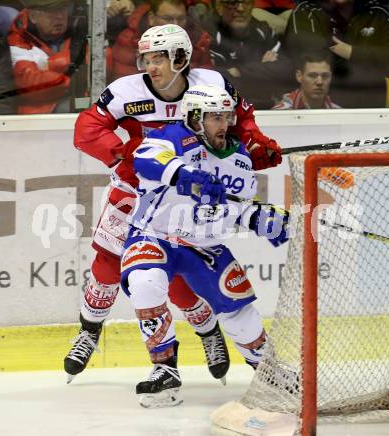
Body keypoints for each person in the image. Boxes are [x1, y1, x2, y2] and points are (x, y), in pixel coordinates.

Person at [65, 24, 283, 384]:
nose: (150, 66)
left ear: (181, 57)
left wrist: (256, 144)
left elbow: (240, 122)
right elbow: (87, 128)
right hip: (134, 193)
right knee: (107, 265)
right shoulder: (125, 91)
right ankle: (89, 331)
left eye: (159, 58)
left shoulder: (211, 84)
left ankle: (207, 331)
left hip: (188, 197)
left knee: (180, 272)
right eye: (146, 59)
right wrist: (121, 155)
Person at [120, 84, 289, 407]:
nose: (224, 124)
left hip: (204, 245)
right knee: (146, 283)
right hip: (155, 234)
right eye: (214, 117)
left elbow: (233, 208)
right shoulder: (168, 136)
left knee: (239, 312)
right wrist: (185, 174)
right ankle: (164, 369)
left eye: (226, 116)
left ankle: (269, 372)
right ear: (195, 118)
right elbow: (145, 161)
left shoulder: (238, 159)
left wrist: (259, 218)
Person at [283, 0, 389, 108]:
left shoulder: (375, 12)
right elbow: (307, 61)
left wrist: (352, 52)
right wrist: (373, 58)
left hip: (369, 110)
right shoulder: (307, 11)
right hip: (319, 110)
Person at [202, 0, 292, 108]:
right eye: (233, 3)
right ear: (219, 7)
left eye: (246, 2)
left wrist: (238, 71)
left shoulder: (263, 29)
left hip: (266, 108)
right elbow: (216, 79)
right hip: (224, 107)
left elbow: (287, 69)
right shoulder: (208, 33)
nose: (241, 8)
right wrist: (261, 68)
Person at [7, 0, 89, 113]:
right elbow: (31, 84)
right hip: (39, 118)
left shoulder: (78, 29)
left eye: (62, 9)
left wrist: (48, 64)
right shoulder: (18, 39)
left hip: (81, 104)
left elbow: (102, 60)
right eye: (51, 12)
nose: (60, 16)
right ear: (33, 16)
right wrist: (74, 77)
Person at [111, 0, 212, 79]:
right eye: (168, 19)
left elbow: (206, 81)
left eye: (181, 19)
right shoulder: (130, 39)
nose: (175, 25)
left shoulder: (198, 40)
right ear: (151, 18)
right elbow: (126, 86)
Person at [273, 51, 340, 109]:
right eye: (313, 75)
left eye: (325, 76)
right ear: (299, 76)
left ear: (331, 77)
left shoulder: (340, 113)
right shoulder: (281, 114)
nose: (320, 82)